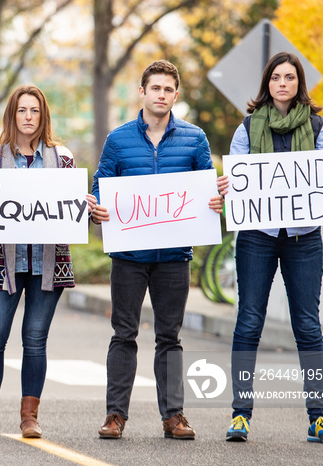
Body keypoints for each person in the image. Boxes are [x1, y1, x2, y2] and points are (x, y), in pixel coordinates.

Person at [217, 52, 323, 444]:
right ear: (267, 83)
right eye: (276, 77)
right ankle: (240, 415)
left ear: (299, 84)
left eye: (289, 77)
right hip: (257, 237)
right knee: (249, 322)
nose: (282, 83)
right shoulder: (247, 127)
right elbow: (237, 178)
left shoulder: (317, 126)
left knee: (308, 326)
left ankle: (318, 418)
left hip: (303, 238)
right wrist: (229, 186)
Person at [91, 60, 222, 440]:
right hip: (129, 258)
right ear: (142, 92)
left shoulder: (194, 139)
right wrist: (97, 208)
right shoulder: (118, 139)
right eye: (155, 88)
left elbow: (208, 188)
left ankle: (174, 416)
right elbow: (102, 185)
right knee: (123, 334)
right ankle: (115, 415)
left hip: (173, 257)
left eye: (168, 90)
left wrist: (216, 202)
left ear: (175, 96)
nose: (161, 95)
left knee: (170, 337)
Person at [0, 85, 96, 439]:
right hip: (3, 264)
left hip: (49, 264)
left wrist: (86, 208)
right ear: (12, 114)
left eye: (35, 111)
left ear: (43, 115)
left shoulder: (62, 157)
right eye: (22, 111)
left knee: (35, 340)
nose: (28, 117)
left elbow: (73, 217)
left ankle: (29, 418)